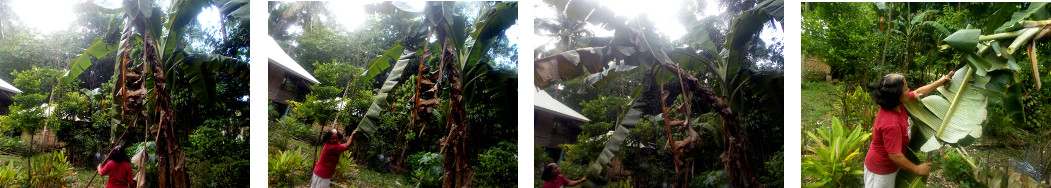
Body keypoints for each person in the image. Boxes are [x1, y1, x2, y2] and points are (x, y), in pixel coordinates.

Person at [864, 71, 954, 187]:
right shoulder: (891, 123)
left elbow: (918, 93)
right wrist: (917, 169)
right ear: (897, 96)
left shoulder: (898, 104)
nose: (909, 90)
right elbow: (895, 156)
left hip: (891, 166)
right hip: (881, 171)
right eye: (906, 89)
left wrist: (940, 82)